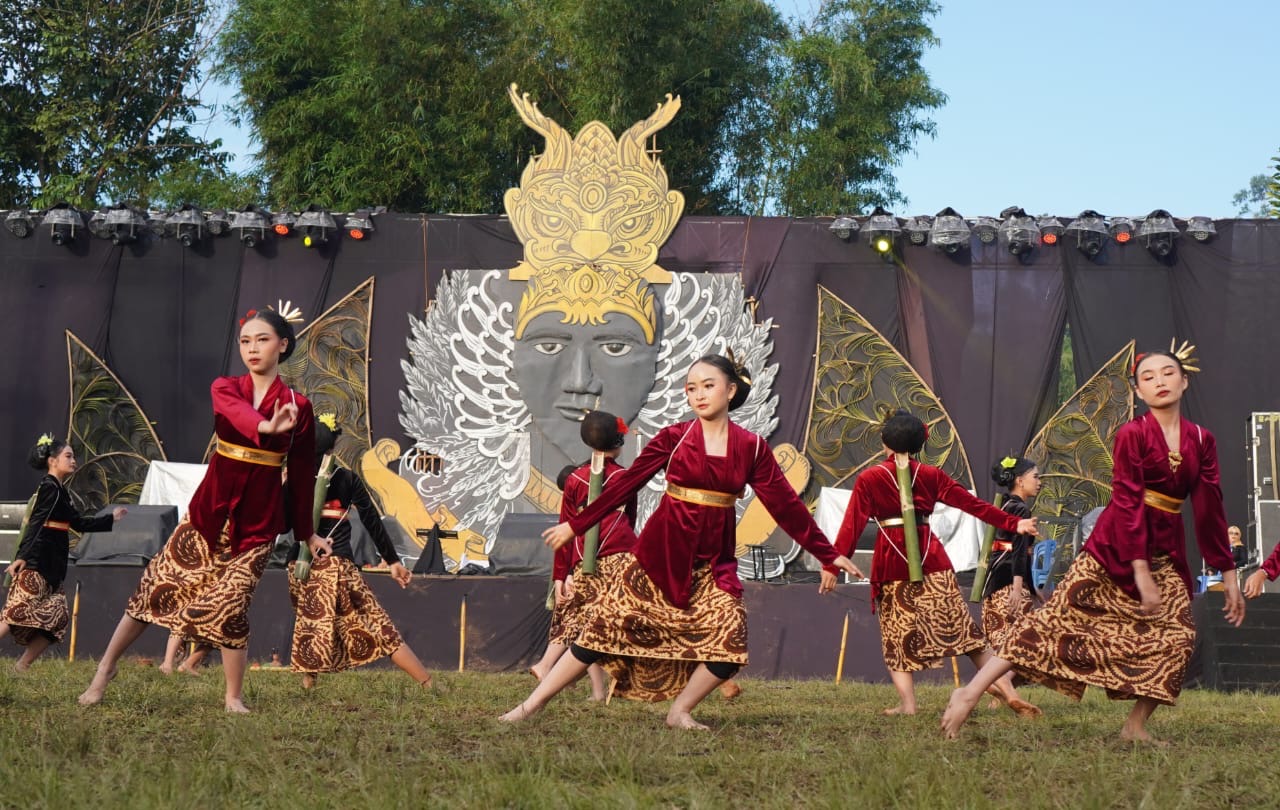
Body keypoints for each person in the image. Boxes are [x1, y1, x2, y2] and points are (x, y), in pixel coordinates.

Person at [502, 353, 864, 729]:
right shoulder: (674, 438)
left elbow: (785, 506)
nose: (699, 395)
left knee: (731, 643)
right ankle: (529, 706)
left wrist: (828, 554)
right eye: (692, 388)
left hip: (714, 566)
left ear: (731, 390)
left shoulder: (752, 447)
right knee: (597, 635)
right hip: (657, 558)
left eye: (708, 386)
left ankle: (679, 711)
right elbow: (626, 485)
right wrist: (576, 526)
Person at [942, 348, 1246, 743]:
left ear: (1184, 380)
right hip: (1112, 546)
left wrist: (1229, 574)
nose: (1160, 381)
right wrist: (1138, 568)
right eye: (1149, 377)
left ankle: (1134, 726)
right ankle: (969, 693)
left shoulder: (1202, 439)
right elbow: (1128, 500)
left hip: (1164, 550)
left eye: (1168, 373)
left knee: (1180, 636)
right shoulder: (1132, 434)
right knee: (1049, 623)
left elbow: (1209, 508)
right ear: (1138, 391)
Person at [78, 306, 330, 712]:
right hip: (208, 514)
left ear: (283, 345)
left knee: (232, 605)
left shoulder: (298, 405)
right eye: (245, 341)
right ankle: (104, 670)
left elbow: (301, 476)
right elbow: (238, 415)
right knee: (154, 590)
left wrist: (307, 533)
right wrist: (266, 427)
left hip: (258, 524)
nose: (252, 348)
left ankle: (233, 696)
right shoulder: (225, 387)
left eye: (262, 340)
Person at [818, 411, 1041, 718]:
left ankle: (908, 705)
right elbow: (973, 505)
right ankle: (1011, 694)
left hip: (892, 563)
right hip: (933, 561)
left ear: (885, 441)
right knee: (969, 637)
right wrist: (1014, 523)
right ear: (919, 443)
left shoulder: (870, 478)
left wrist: (831, 566)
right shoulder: (930, 474)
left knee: (897, 637)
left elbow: (851, 526)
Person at [286, 415, 433, 690]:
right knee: (378, 625)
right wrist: (393, 561)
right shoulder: (346, 479)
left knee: (313, 627)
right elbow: (371, 520)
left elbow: (283, 524)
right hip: (336, 566)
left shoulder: (294, 478)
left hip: (299, 567)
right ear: (333, 446)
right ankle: (427, 683)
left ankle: (308, 687)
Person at [529, 412, 639, 700]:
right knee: (607, 623)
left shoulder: (575, 479)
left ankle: (556, 670)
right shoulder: (624, 478)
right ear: (619, 442)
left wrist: (561, 575)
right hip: (621, 560)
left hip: (582, 563)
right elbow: (631, 519)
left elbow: (564, 530)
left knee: (585, 622)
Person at [1, 435, 125, 670]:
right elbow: (36, 523)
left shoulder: (60, 491)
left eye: (73, 456)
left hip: (52, 567)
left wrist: (111, 519)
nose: (74, 460)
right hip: (37, 563)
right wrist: (22, 557)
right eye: (68, 456)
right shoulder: (49, 488)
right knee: (14, 613)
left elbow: (78, 523)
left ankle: (22, 666)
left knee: (57, 618)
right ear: (52, 461)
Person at [979, 456, 1042, 711]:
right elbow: (1018, 550)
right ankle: (1001, 684)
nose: (1039, 482)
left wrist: (1033, 589)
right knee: (1026, 642)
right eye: (1035, 476)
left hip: (995, 581)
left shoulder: (1003, 504)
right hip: (1009, 583)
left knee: (1002, 645)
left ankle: (999, 697)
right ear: (1020, 480)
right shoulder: (1021, 510)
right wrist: (1018, 588)